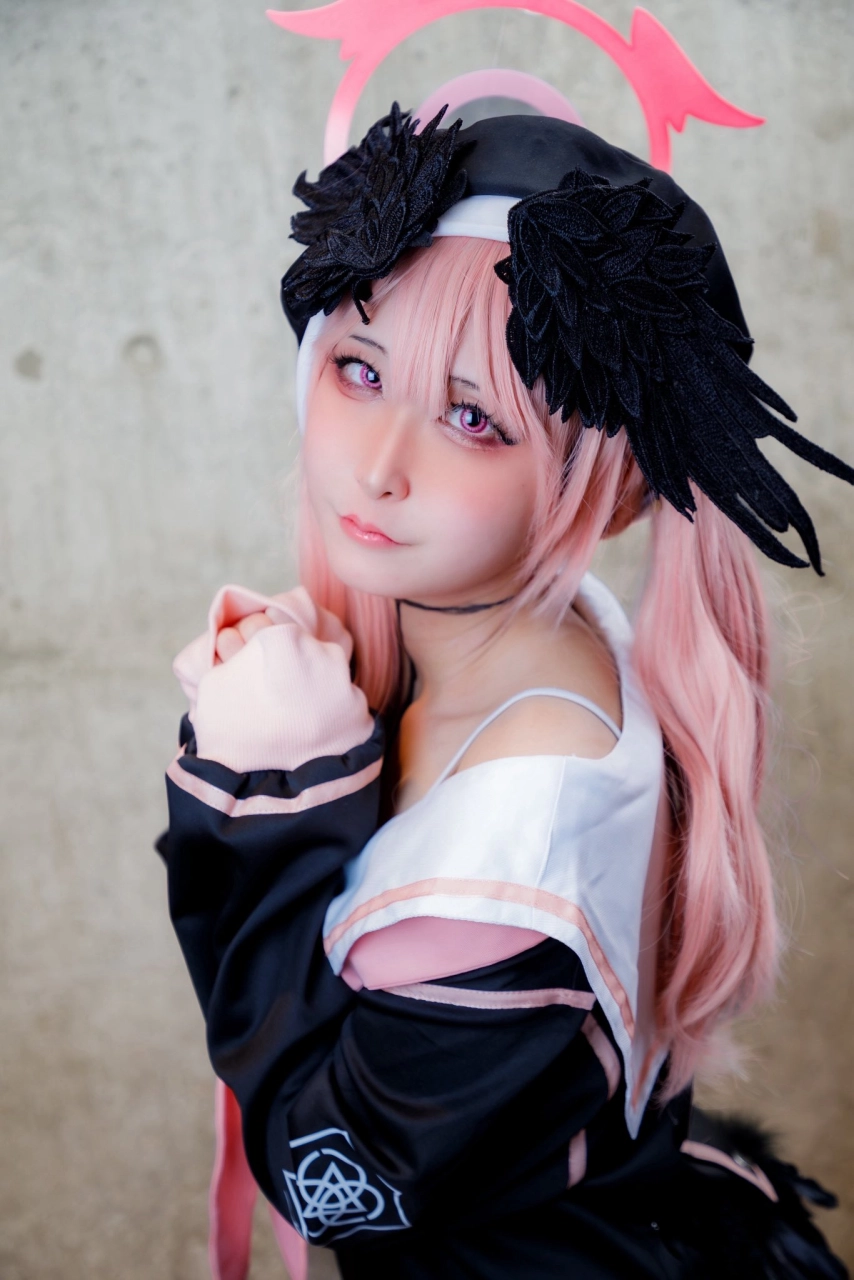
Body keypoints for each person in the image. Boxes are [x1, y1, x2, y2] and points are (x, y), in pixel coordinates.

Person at [158, 105, 850, 1279]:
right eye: (359, 369)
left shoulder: (515, 838)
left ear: (610, 487)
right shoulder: (533, 636)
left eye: (471, 417)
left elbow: (328, 1176)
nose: (379, 465)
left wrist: (264, 798)